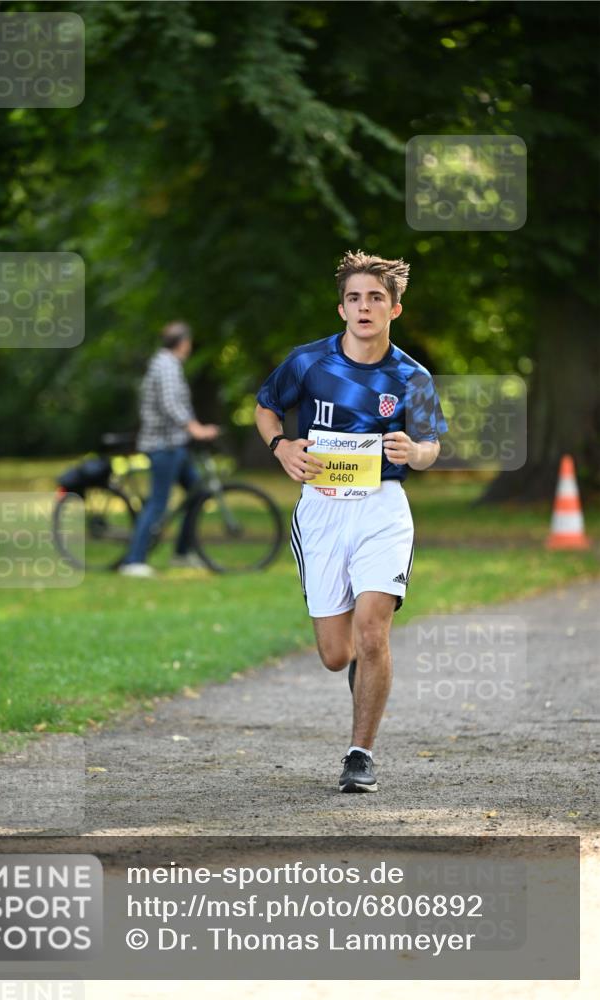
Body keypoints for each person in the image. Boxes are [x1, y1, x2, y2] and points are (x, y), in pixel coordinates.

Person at [255, 250, 447, 792]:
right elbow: (266, 407)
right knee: (337, 655)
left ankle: (360, 755)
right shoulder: (308, 363)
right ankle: (362, 668)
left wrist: (415, 452)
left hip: (383, 508)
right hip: (321, 510)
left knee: (372, 631)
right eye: (355, 298)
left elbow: (431, 446)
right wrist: (280, 446)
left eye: (376, 298)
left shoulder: (412, 376)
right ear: (341, 309)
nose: (365, 307)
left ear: (395, 309)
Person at [120, 321, 219, 578]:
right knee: (158, 502)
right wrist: (195, 428)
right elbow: (170, 403)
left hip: (175, 444)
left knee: (198, 493)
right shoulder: (165, 365)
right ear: (183, 342)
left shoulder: (168, 363)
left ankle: (182, 553)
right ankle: (133, 561)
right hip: (163, 445)